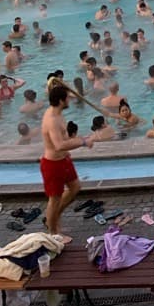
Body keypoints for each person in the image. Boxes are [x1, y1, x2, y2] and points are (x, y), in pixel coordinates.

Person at [41, 78, 94, 241]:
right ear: (60, 101)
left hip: (63, 160)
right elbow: (59, 145)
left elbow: (63, 142)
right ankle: (53, 234)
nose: (69, 100)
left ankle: (53, 217)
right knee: (54, 199)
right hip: (53, 164)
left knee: (75, 187)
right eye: (67, 98)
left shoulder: (58, 113)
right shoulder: (52, 120)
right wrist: (83, 142)